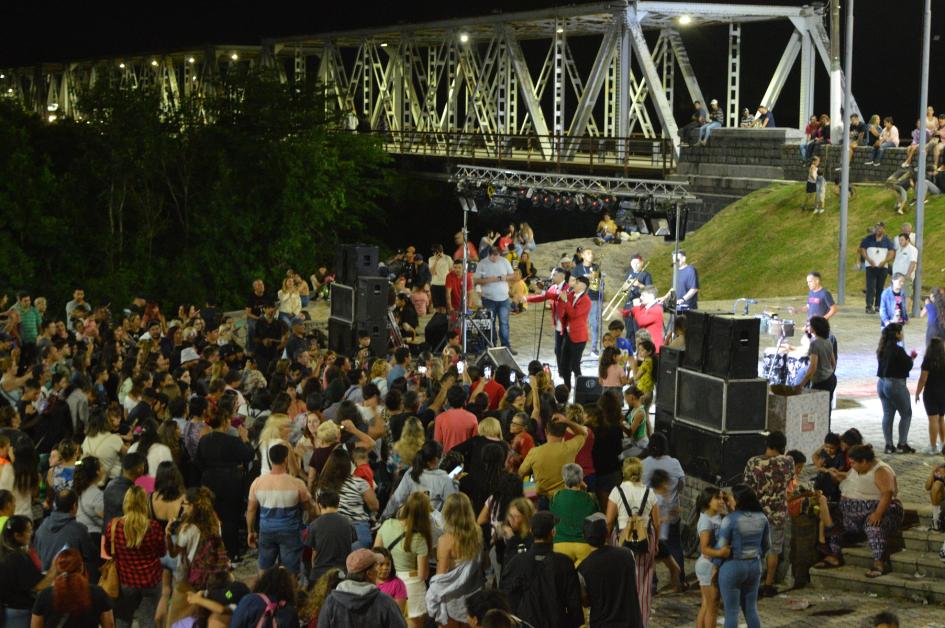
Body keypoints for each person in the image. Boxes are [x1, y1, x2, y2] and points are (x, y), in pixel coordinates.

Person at [823, 445, 903, 578]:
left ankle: (879, 562)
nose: (851, 465)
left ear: (864, 461)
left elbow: (887, 493)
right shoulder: (858, 469)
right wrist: (838, 475)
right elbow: (852, 480)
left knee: (874, 526)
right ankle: (834, 555)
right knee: (833, 521)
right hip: (850, 514)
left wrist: (878, 513)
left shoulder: (881, 470)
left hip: (878, 510)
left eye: (853, 463)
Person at [500, 511, 583, 628]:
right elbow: (574, 605)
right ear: (553, 532)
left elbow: (506, 599)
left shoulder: (517, 562)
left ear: (531, 531)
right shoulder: (564, 563)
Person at [195, 397, 255, 559]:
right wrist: (245, 438)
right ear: (225, 422)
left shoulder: (204, 441)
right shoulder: (232, 441)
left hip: (209, 480)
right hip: (230, 482)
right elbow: (249, 455)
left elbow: (198, 462)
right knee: (230, 518)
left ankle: (213, 552)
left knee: (213, 516)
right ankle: (231, 553)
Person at [246, 443, 313, 576]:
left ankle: (265, 593)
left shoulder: (257, 483)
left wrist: (250, 531)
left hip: (266, 531)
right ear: (286, 459)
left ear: (270, 460)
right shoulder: (297, 483)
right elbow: (308, 508)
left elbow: (251, 510)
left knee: (265, 568)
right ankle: (289, 594)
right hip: (290, 532)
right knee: (291, 571)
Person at [605, 457, 658, 625]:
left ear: (624, 472)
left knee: (620, 581)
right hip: (645, 539)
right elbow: (657, 522)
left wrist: (606, 542)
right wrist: (655, 543)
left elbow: (609, 521)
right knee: (643, 584)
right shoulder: (650, 493)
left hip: (621, 540)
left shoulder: (617, 491)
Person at [105, 486, 166, 628]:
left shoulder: (114, 526)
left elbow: (109, 551)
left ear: (126, 503)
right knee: (148, 620)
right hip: (151, 581)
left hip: (126, 581)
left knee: (122, 620)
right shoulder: (154, 526)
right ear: (144, 503)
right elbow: (162, 552)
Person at [741, 430, 793, 598]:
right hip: (777, 514)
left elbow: (746, 487)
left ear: (767, 445)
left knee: (753, 549)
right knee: (773, 550)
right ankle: (769, 584)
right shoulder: (788, 462)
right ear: (783, 447)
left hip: (756, 513)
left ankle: (751, 583)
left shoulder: (754, 462)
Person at [375, 491, 432, 628]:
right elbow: (423, 574)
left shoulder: (387, 524)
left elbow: (376, 553)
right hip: (411, 586)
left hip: (386, 581)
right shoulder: (419, 538)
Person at [426, 492, 483, 627]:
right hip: (474, 598)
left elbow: (441, 577)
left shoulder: (445, 540)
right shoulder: (478, 534)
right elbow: (485, 564)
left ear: (447, 513)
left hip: (453, 603)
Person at [577, 512, 642, 627]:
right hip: (632, 622)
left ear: (584, 537)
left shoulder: (583, 569)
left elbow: (585, 601)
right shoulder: (627, 554)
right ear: (607, 533)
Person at [716, 484, 767, 628]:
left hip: (733, 566)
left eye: (731, 497)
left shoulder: (730, 520)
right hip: (754, 566)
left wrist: (715, 566)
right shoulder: (762, 518)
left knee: (731, 612)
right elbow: (766, 545)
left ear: (739, 500)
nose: (729, 500)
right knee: (751, 610)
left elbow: (721, 547)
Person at [315, 549, 406, 627]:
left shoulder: (331, 602)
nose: (379, 570)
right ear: (369, 573)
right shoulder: (385, 602)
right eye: (377, 566)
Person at [31, 547, 115, 628]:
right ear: (81, 567)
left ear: (58, 569)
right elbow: (109, 625)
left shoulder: (44, 595)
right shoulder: (98, 593)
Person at [518, 413, 587, 507]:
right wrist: (567, 421)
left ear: (546, 431)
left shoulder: (535, 452)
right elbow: (583, 433)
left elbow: (521, 473)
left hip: (542, 500)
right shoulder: (570, 448)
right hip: (565, 498)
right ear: (564, 433)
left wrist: (530, 493)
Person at [0, 515, 57, 627]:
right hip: (17, 612)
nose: (31, 534)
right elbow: (38, 586)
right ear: (17, 535)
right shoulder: (17, 558)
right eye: (29, 531)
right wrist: (54, 569)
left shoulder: (5, 553)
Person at [318, 447, 379, 550]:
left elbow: (319, 512)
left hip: (331, 532)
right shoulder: (359, 483)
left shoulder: (322, 488)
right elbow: (375, 506)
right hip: (358, 532)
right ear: (349, 465)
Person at [383, 440, 456, 518]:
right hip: (432, 527)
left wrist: (383, 518)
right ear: (436, 459)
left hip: (410, 523)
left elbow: (397, 499)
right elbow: (453, 508)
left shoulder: (411, 471)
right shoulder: (444, 478)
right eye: (442, 456)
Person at [695, 487, 732, 628]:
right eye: (718, 498)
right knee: (712, 607)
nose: (721, 501)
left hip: (710, 564)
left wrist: (728, 502)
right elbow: (704, 548)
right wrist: (721, 553)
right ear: (707, 501)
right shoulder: (705, 521)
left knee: (706, 605)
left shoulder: (716, 515)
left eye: (722, 498)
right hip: (708, 565)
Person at [34, 489, 96, 572]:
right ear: (74, 506)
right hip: (69, 580)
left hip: (44, 579)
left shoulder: (42, 526)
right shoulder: (79, 529)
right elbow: (91, 555)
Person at [876, 323, 915, 454]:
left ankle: (888, 445)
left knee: (888, 413)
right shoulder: (898, 350)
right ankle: (902, 444)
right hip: (895, 384)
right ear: (897, 334)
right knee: (906, 414)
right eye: (901, 332)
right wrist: (912, 358)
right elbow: (907, 365)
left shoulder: (881, 348)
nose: (902, 334)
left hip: (881, 383)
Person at [526, 267, 569, 382]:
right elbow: (543, 297)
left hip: (567, 325)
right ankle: (561, 372)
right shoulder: (554, 287)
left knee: (565, 351)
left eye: (554, 275)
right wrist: (528, 299)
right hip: (558, 324)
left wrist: (546, 292)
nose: (552, 277)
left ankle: (566, 372)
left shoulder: (567, 288)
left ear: (561, 276)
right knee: (557, 350)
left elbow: (555, 296)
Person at [549, 463, 597, 566]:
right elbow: (596, 517)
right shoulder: (590, 498)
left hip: (561, 545)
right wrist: (586, 489)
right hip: (584, 545)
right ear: (581, 479)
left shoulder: (556, 496)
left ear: (564, 478)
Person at [474, 247, 515, 354]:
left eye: (497, 256)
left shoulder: (504, 261)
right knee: (490, 323)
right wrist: (488, 280)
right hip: (488, 299)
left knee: (504, 323)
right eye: (493, 256)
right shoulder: (482, 263)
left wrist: (503, 278)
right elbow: (476, 280)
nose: (496, 258)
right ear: (489, 254)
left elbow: (512, 275)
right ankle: (491, 344)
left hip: (504, 298)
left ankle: (506, 346)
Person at [231, 566, 300, 627]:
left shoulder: (250, 599)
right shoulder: (291, 612)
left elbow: (236, 624)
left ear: (263, 581)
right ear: (289, 588)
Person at [795, 316, 838, 413]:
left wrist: (801, 384)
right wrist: (828, 372)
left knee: (815, 412)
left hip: (821, 382)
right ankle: (827, 428)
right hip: (831, 379)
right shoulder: (828, 342)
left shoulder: (814, 344)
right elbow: (833, 363)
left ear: (814, 328)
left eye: (809, 325)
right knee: (826, 410)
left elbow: (813, 367)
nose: (807, 327)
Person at [559, 275, 592, 390]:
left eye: (576, 283)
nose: (574, 285)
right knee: (564, 364)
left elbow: (573, 314)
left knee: (575, 366)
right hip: (568, 334)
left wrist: (565, 301)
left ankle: (582, 389)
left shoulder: (586, 301)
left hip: (579, 337)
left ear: (583, 286)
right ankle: (567, 387)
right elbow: (562, 300)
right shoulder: (572, 295)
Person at [103, 452, 147, 530]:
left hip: (109, 533)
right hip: (123, 535)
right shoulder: (133, 493)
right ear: (140, 470)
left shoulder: (110, 485)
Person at [916, 337, 945, 454]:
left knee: (933, 420)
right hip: (944, 393)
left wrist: (918, 392)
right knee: (941, 419)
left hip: (931, 393)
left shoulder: (927, 361)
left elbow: (923, 379)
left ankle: (933, 447)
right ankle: (943, 445)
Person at [860, 223, 895, 314]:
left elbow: (891, 253)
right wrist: (868, 259)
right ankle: (869, 306)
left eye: (880, 228)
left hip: (883, 268)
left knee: (880, 287)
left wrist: (885, 262)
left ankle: (878, 305)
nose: (878, 230)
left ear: (883, 229)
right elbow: (862, 250)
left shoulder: (887, 240)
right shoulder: (868, 239)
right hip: (870, 267)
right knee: (870, 287)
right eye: (876, 228)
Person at [571, 249, 601, 352]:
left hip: (593, 298)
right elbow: (571, 283)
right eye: (588, 253)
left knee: (595, 324)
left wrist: (593, 279)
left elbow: (596, 286)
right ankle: (577, 347)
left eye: (592, 253)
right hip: (580, 300)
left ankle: (594, 348)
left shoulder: (596, 267)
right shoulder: (577, 269)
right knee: (580, 324)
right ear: (583, 255)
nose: (591, 255)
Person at [433, 385, 479, 455]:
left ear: (448, 400)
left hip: (447, 460)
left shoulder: (440, 418)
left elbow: (437, 444)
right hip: (465, 459)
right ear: (464, 400)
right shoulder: (473, 418)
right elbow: (475, 443)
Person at [624, 286, 664, 353]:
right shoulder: (645, 307)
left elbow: (641, 321)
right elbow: (628, 312)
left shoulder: (657, 309)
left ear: (651, 296)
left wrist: (636, 307)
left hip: (654, 348)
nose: (640, 298)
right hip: (645, 347)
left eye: (643, 295)